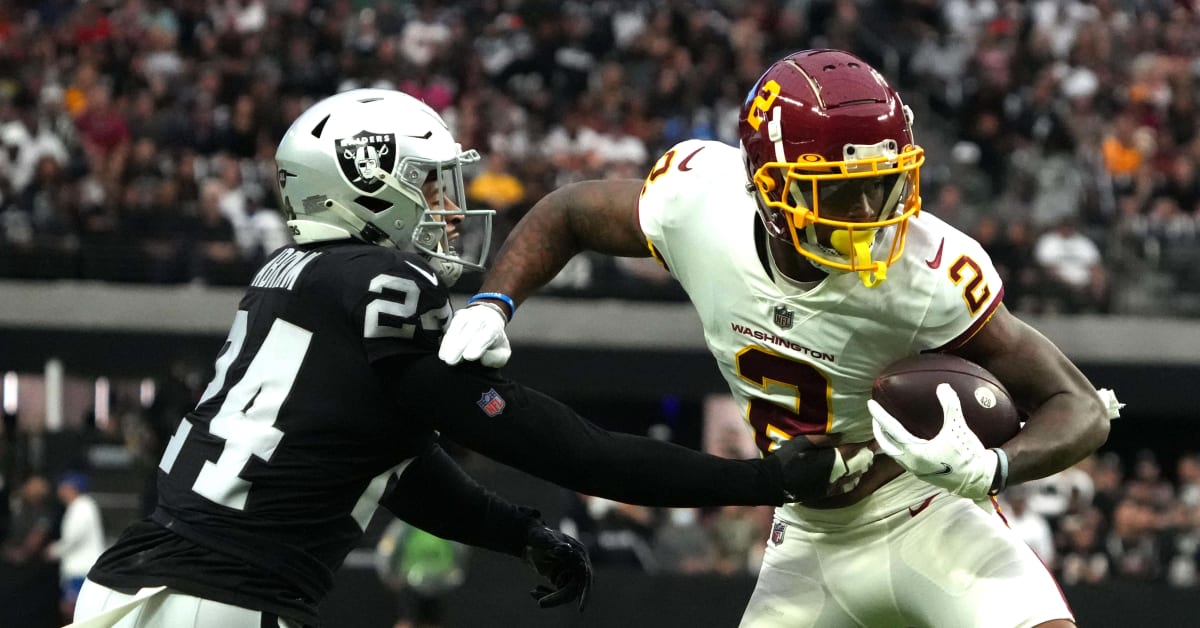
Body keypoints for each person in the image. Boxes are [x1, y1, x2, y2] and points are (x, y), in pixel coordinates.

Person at [71, 88, 865, 628]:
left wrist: (520, 532)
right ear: (363, 186)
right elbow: (560, 447)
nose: (448, 206)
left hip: (139, 586)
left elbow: (395, 468)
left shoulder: (295, 277)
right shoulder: (386, 283)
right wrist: (760, 480)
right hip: (219, 603)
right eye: (427, 182)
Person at [439, 49, 1126, 627]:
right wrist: (494, 301)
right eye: (837, 191)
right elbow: (569, 212)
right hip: (805, 537)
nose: (868, 215)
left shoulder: (930, 271)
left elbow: (1079, 406)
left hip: (927, 513)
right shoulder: (698, 203)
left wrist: (992, 469)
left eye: (881, 185)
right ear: (767, 188)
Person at [44, 471, 106, 623]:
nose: (59, 489)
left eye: (63, 485)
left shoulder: (82, 506)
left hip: (81, 569)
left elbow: (73, 538)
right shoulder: (78, 506)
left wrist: (53, 550)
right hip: (78, 569)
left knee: (72, 610)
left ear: (71, 487)